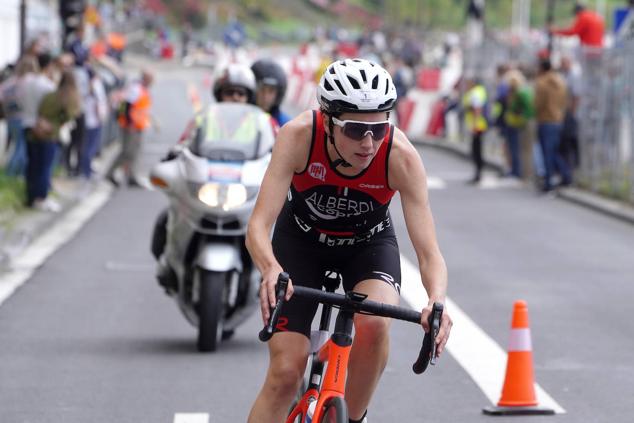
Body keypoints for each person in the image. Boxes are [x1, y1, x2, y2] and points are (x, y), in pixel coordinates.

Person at [245, 58, 452, 423]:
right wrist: (270, 269)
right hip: (301, 244)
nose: (369, 142)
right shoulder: (298, 137)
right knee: (284, 374)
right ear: (327, 121)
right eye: (356, 130)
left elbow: (429, 252)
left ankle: (352, 418)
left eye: (379, 128)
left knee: (373, 324)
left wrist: (436, 299)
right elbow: (258, 227)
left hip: (367, 246)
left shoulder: (400, 156)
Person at [25, 70, 81, 211]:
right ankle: (41, 198)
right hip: (50, 135)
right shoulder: (68, 98)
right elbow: (71, 116)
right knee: (45, 168)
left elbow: (40, 111)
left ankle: (31, 197)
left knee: (33, 167)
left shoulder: (50, 95)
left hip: (35, 132)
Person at [106, 69, 154, 187]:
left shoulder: (142, 89)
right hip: (131, 126)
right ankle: (110, 173)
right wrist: (129, 123)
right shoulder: (135, 88)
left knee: (134, 152)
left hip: (138, 125)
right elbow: (126, 105)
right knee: (127, 151)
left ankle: (131, 176)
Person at [534, 59, 570, 192]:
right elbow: (564, 102)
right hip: (558, 120)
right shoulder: (560, 82)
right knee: (554, 152)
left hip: (545, 120)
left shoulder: (542, 83)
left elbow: (538, 103)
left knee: (547, 153)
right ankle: (566, 176)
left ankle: (548, 183)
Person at [461, 77, 488, 184]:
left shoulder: (475, 94)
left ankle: (478, 174)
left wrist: (475, 125)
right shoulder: (478, 92)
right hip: (478, 125)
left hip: (478, 126)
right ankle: (478, 173)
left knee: (476, 151)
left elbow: (477, 110)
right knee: (476, 150)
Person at [251, 59, 291, 127]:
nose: (265, 97)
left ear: (278, 94)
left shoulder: (285, 124)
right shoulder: (242, 117)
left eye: (271, 91)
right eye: (262, 89)